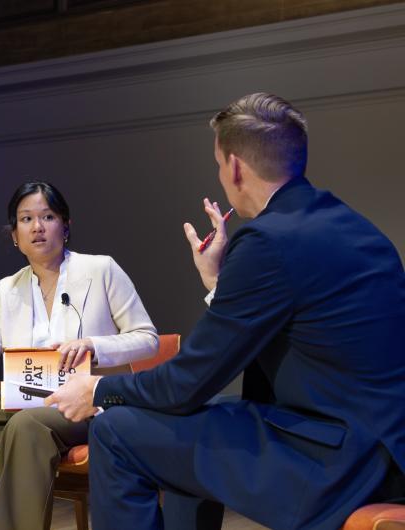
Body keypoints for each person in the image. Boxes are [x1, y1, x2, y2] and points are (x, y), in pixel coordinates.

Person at [47, 93, 405, 529]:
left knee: (116, 431)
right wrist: (218, 281)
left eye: (218, 164)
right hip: (383, 450)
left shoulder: (267, 241)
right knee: (190, 419)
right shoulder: (353, 227)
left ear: (234, 166)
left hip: (339, 462)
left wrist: (99, 391)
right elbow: (302, 323)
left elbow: (188, 382)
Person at [0, 181, 158, 530]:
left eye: (47, 216)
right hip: (26, 399)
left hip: (87, 402)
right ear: (15, 235)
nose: (37, 227)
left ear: (66, 226)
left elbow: (147, 339)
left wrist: (94, 345)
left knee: (27, 426)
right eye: (26, 219)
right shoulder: (8, 289)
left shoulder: (101, 270)